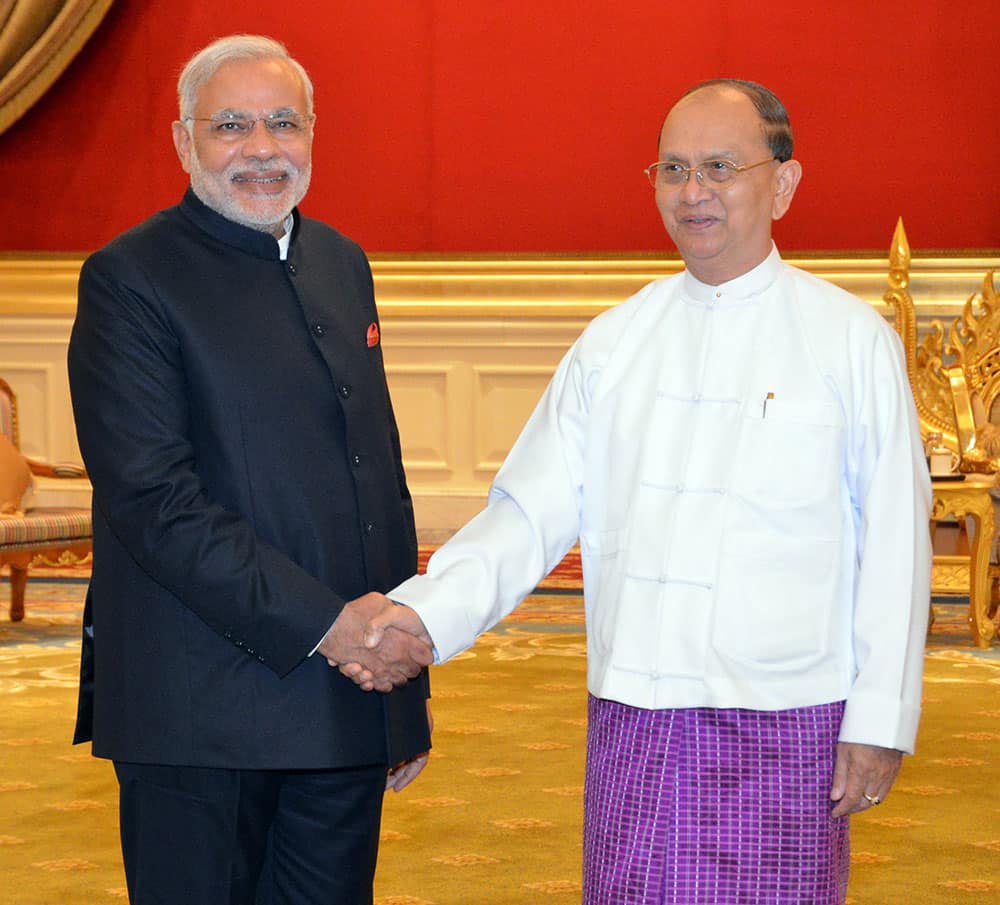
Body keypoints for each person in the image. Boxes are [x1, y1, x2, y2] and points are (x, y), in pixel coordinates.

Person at [343, 79, 931, 904]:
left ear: (784, 183)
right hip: (638, 717)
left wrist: (880, 721)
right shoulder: (614, 343)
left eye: (720, 167)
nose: (694, 192)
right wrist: (423, 615)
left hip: (787, 720)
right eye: (673, 169)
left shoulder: (850, 343)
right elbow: (527, 516)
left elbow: (896, 548)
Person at [68, 34, 433, 905]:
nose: (262, 148)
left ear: (313, 135)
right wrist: (331, 627)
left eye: (284, 123)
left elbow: (374, 479)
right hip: (198, 712)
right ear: (183, 142)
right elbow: (157, 503)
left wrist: (400, 699)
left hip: (343, 703)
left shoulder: (343, 263)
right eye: (230, 125)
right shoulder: (128, 279)